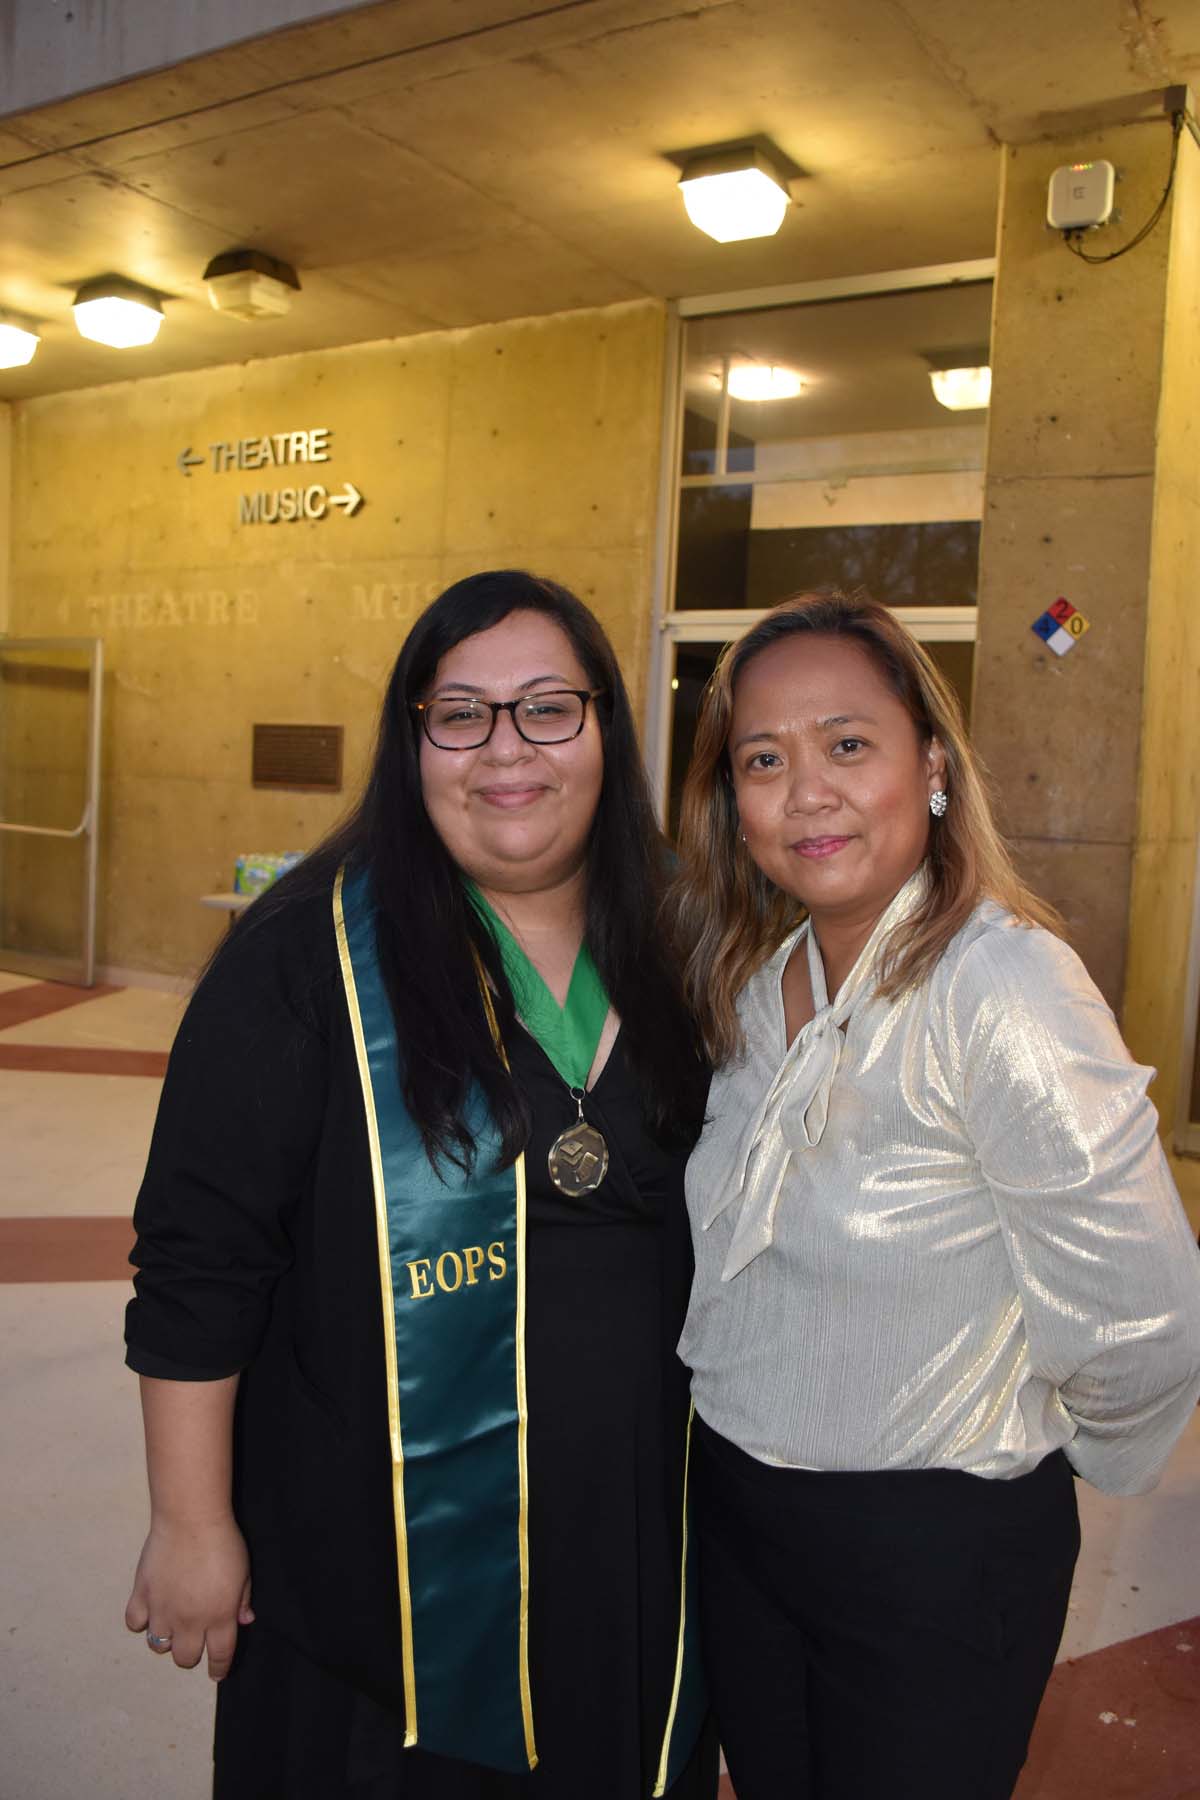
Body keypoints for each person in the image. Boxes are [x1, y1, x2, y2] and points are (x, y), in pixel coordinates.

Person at [124, 570, 716, 1800]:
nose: (508, 750)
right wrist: (192, 1523)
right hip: (374, 1559)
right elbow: (199, 1259)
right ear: (413, 743)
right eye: (462, 714)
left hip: (630, 1546)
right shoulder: (302, 959)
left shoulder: (689, 940)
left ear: (608, 726)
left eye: (550, 708)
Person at [669, 589, 1200, 1800]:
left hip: (929, 1556)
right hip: (740, 1524)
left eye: (848, 745)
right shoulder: (757, 987)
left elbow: (1150, 1315)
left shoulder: (1002, 986)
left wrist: (1024, 1463)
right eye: (765, 759)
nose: (807, 792)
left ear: (936, 768)